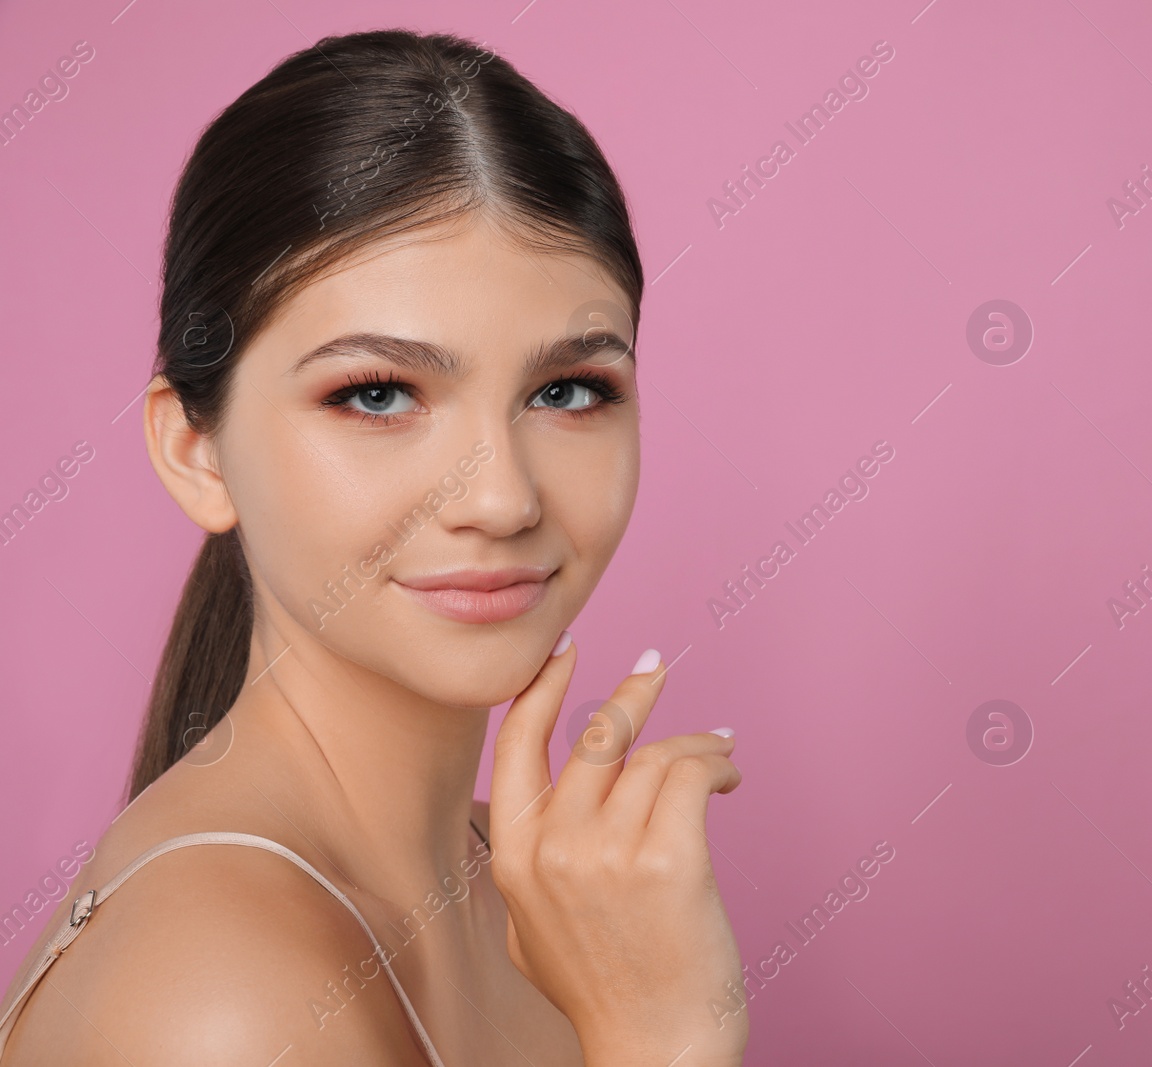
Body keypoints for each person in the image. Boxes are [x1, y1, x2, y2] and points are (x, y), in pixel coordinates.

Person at [0, 28, 745, 1066]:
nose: (499, 495)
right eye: (378, 393)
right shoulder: (223, 1005)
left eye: (567, 390)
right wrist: (659, 1038)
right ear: (195, 450)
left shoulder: (537, 888)